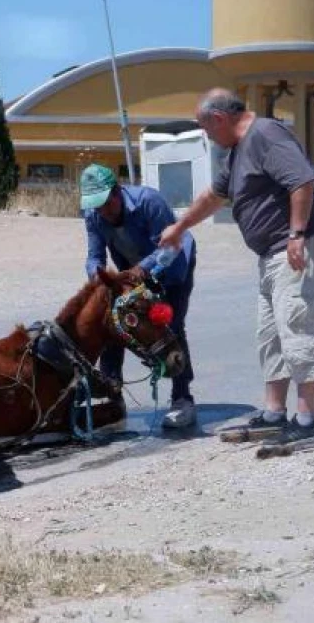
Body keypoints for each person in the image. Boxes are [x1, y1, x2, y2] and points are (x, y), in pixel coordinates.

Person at [160, 88, 314, 444]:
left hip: (300, 247)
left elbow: (302, 180)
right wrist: (180, 227)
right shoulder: (238, 152)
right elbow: (213, 196)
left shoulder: (265, 134)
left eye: (205, 128)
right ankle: (274, 413)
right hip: (272, 255)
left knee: (297, 327)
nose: (207, 136)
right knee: (270, 336)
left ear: (219, 119)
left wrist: (296, 233)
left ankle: (307, 421)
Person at [79, 163, 199, 428]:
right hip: (131, 271)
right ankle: (113, 399)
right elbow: (94, 256)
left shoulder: (149, 202)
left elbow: (170, 247)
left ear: (117, 192)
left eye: (106, 204)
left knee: (170, 326)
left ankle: (182, 398)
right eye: (96, 206)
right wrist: (98, 278)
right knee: (114, 325)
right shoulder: (93, 215)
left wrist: (141, 270)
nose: (103, 212)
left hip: (173, 265)